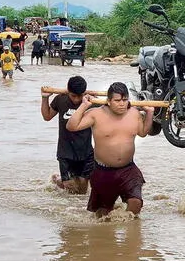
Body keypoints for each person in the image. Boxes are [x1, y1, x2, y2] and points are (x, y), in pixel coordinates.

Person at [66, 82, 154, 218]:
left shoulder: (134, 113)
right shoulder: (96, 114)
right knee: (102, 215)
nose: (122, 104)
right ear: (108, 101)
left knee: (136, 203)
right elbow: (72, 126)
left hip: (128, 169)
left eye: (125, 100)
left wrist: (149, 113)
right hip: (103, 171)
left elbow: (143, 132)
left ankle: (130, 233)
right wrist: (84, 105)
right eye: (117, 100)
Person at [41, 76, 94, 194]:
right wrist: (44, 98)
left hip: (86, 152)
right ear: (68, 91)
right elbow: (47, 116)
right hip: (65, 151)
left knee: (82, 190)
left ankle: (60, 179)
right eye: (73, 96)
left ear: (84, 92)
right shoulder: (61, 99)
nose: (76, 99)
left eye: (79, 96)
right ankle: (58, 180)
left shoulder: (91, 103)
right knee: (70, 188)